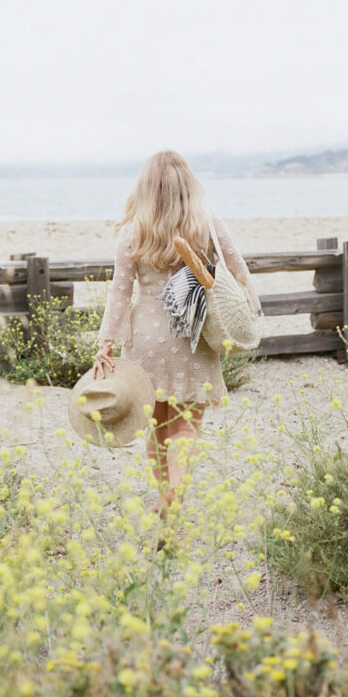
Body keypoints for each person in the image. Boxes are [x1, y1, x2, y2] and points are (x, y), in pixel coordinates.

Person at [91, 149, 261, 520]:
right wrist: (249, 309)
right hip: (193, 333)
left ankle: (162, 494)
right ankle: (174, 495)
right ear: (189, 186)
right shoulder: (208, 224)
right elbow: (237, 269)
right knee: (186, 426)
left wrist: (105, 341)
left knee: (156, 426)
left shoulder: (133, 231)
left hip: (146, 336)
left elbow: (119, 291)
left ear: (146, 188)